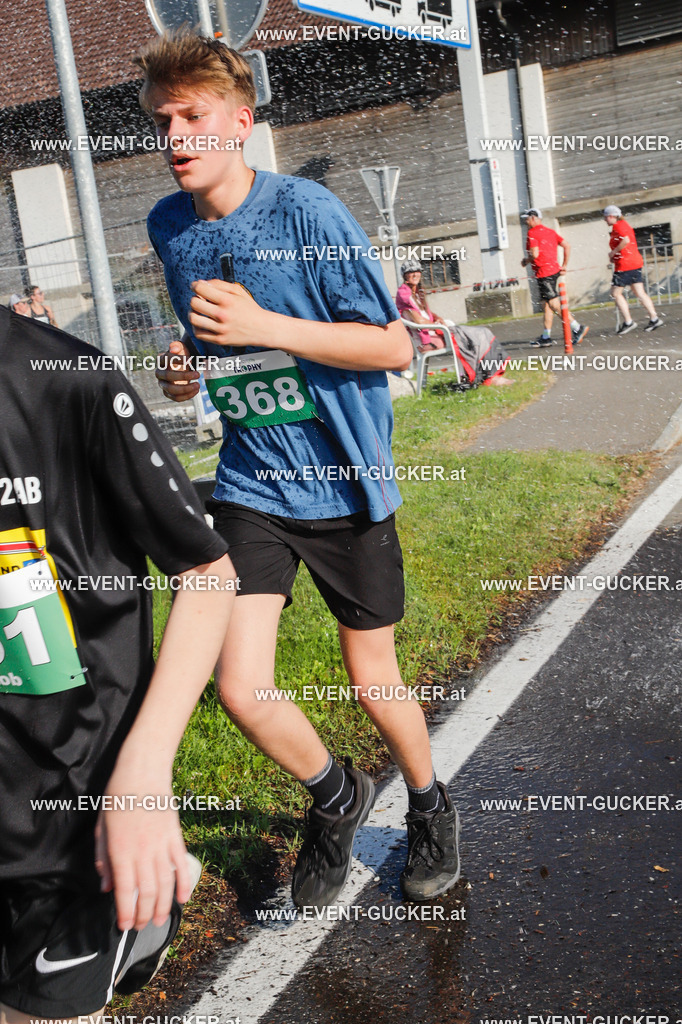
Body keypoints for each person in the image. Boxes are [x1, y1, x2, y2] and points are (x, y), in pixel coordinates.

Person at [143, 30, 461, 909]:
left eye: (192, 118)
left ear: (239, 123)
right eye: (162, 121)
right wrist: (185, 363)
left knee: (373, 680)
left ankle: (431, 807)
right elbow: (213, 343)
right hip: (252, 485)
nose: (174, 137)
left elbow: (393, 344)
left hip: (345, 482)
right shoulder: (168, 226)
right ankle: (335, 796)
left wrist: (265, 328)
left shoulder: (307, 214)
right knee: (239, 685)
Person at [0, 302, 237, 1021]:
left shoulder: (66, 380)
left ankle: (138, 909)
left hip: (62, 834)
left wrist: (140, 780)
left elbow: (205, 574)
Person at [520, 208, 589, 348]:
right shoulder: (550, 231)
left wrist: (526, 260)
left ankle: (577, 327)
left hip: (544, 273)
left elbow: (535, 253)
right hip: (553, 270)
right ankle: (546, 337)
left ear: (534, 218)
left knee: (553, 304)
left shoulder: (532, 233)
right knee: (546, 305)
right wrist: (564, 265)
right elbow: (566, 245)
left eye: (527, 219)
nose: (526, 222)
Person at [603, 205, 663, 334]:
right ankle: (654, 318)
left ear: (612, 216)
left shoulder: (619, 225)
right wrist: (615, 255)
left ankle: (628, 322)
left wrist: (613, 252)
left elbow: (626, 240)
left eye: (605, 217)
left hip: (625, 264)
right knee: (639, 292)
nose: (605, 220)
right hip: (633, 262)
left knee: (615, 293)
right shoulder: (622, 225)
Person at [396, 259, 449, 351]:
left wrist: (437, 318)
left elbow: (424, 313)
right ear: (405, 276)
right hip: (425, 341)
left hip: (432, 335)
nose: (415, 274)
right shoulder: (405, 297)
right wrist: (438, 326)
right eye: (411, 272)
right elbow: (419, 321)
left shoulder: (417, 294)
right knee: (461, 339)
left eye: (417, 271)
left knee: (460, 334)